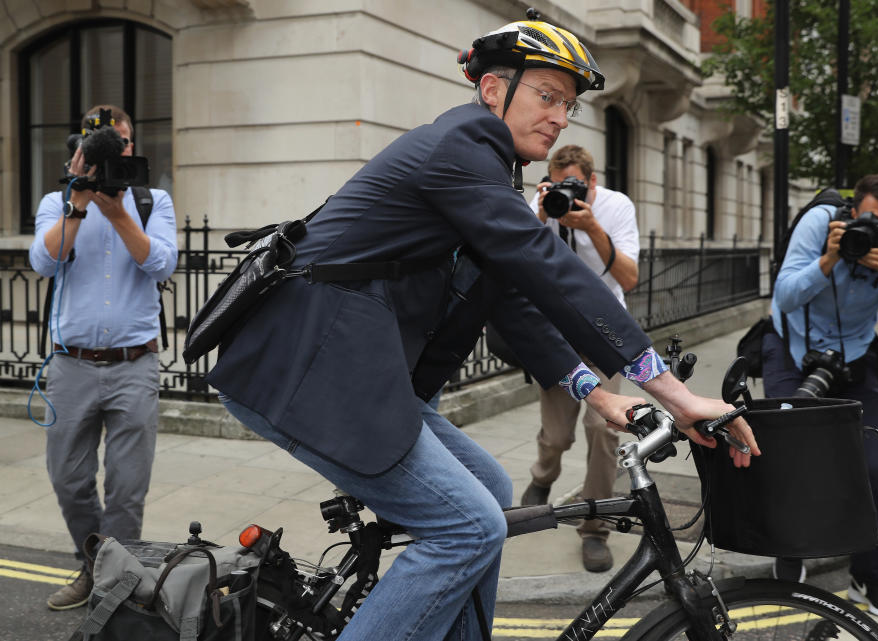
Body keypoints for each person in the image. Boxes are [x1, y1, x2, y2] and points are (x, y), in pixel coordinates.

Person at [207, 16, 759, 641]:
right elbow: (547, 267)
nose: (560, 116)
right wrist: (675, 394)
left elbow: (513, 302)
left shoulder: (489, 170)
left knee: (492, 491)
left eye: (569, 105)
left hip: (355, 372)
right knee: (468, 526)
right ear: (495, 91)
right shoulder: (459, 148)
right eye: (546, 95)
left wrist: (599, 394)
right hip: (306, 371)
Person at [762, 173, 878, 622]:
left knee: (871, 468)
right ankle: (791, 555)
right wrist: (831, 257)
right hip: (792, 344)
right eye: (872, 220)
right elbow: (784, 294)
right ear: (854, 210)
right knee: (785, 455)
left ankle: (869, 576)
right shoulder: (821, 224)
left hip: (855, 353)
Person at [29, 104, 178, 610]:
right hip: (71, 365)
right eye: (103, 143)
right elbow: (44, 261)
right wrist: (78, 203)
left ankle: (114, 591)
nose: (117, 150)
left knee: (127, 491)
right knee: (69, 481)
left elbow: (160, 263)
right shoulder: (59, 200)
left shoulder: (152, 199)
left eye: (122, 141)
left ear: (132, 147)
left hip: (135, 364)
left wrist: (116, 212)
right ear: (80, 152)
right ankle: (96, 568)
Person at [519, 144, 640, 572]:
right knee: (556, 437)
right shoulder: (541, 203)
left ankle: (595, 527)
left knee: (603, 429)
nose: (566, 195)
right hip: (556, 333)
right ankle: (542, 477)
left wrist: (591, 228)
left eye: (575, 185)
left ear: (591, 183)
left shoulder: (615, 206)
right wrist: (538, 214)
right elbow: (518, 262)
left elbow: (628, 277)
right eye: (558, 185)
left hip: (603, 332)